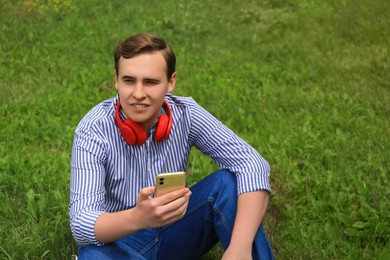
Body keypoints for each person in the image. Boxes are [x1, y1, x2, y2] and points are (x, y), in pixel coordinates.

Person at [69, 33, 274, 260]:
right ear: (116, 79)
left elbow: (252, 164)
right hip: (123, 237)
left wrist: (239, 247)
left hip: (178, 227)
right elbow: (81, 223)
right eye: (129, 80)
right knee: (92, 255)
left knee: (229, 184)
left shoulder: (186, 113)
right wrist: (138, 217)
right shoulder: (93, 129)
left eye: (151, 82)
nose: (138, 94)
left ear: (171, 82)